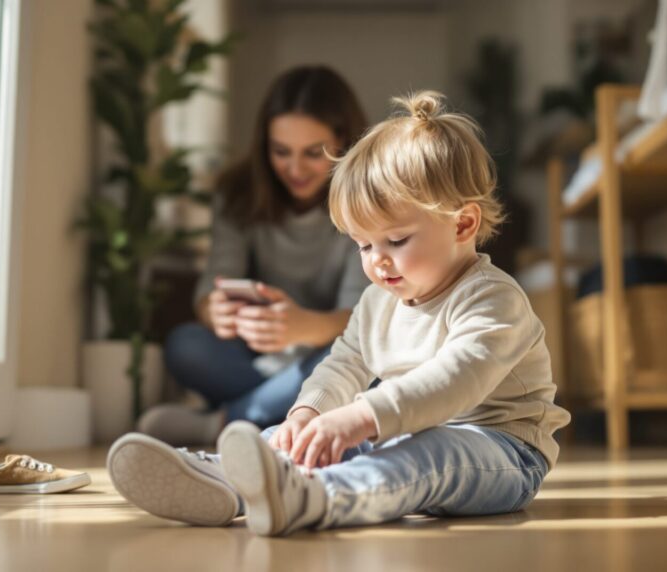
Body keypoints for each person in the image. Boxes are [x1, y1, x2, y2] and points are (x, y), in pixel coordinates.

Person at [107, 90, 571, 536]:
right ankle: (226, 479)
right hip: (404, 431)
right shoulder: (379, 300)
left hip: (503, 452)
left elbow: (457, 378)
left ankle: (318, 498)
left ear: (463, 224)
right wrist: (308, 414)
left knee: (424, 451)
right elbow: (344, 363)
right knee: (304, 437)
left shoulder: (494, 300)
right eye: (364, 245)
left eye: (396, 241)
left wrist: (359, 417)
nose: (377, 260)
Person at [136, 66, 371, 446]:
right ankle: (283, 415)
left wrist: (301, 327)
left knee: (366, 359)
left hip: (329, 350)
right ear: (264, 145)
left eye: (313, 153)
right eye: (281, 152)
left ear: (344, 141)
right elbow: (211, 288)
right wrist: (217, 311)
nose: (294, 169)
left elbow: (363, 319)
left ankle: (224, 423)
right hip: (256, 355)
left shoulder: (365, 197)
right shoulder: (238, 193)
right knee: (186, 345)